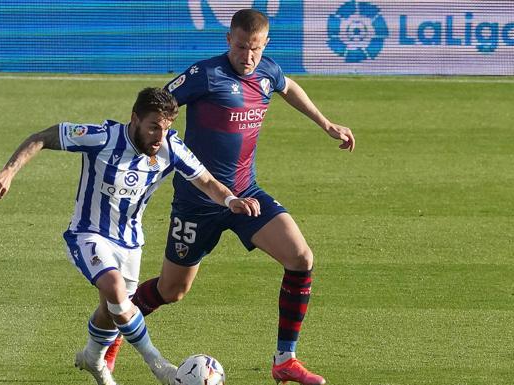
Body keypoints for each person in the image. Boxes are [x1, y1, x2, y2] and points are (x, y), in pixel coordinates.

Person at [104, 9, 355, 385]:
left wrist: (326, 123)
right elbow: (158, 104)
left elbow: (288, 88)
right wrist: (142, 149)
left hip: (246, 195)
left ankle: (285, 360)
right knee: (172, 290)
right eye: (240, 47)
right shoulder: (206, 74)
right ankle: (109, 341)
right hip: (197, 201)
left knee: (301, 257)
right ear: (228, 41)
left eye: (255, 49)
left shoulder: (267, 71)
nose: (248, 56)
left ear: (264, 44)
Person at [0, 87, 260, 385]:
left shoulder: (170, 146)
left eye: (166, 127)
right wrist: (9, 172)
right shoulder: (102, 137)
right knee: (116, 290)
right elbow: (42, 136)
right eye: (153, 126)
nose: (159, 136)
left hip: (130, 243)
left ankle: (93, 358)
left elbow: (206, 181)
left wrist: (231, 200)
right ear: (135, 119)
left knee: (110, 311)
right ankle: (159, 365)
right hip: (88, 234)